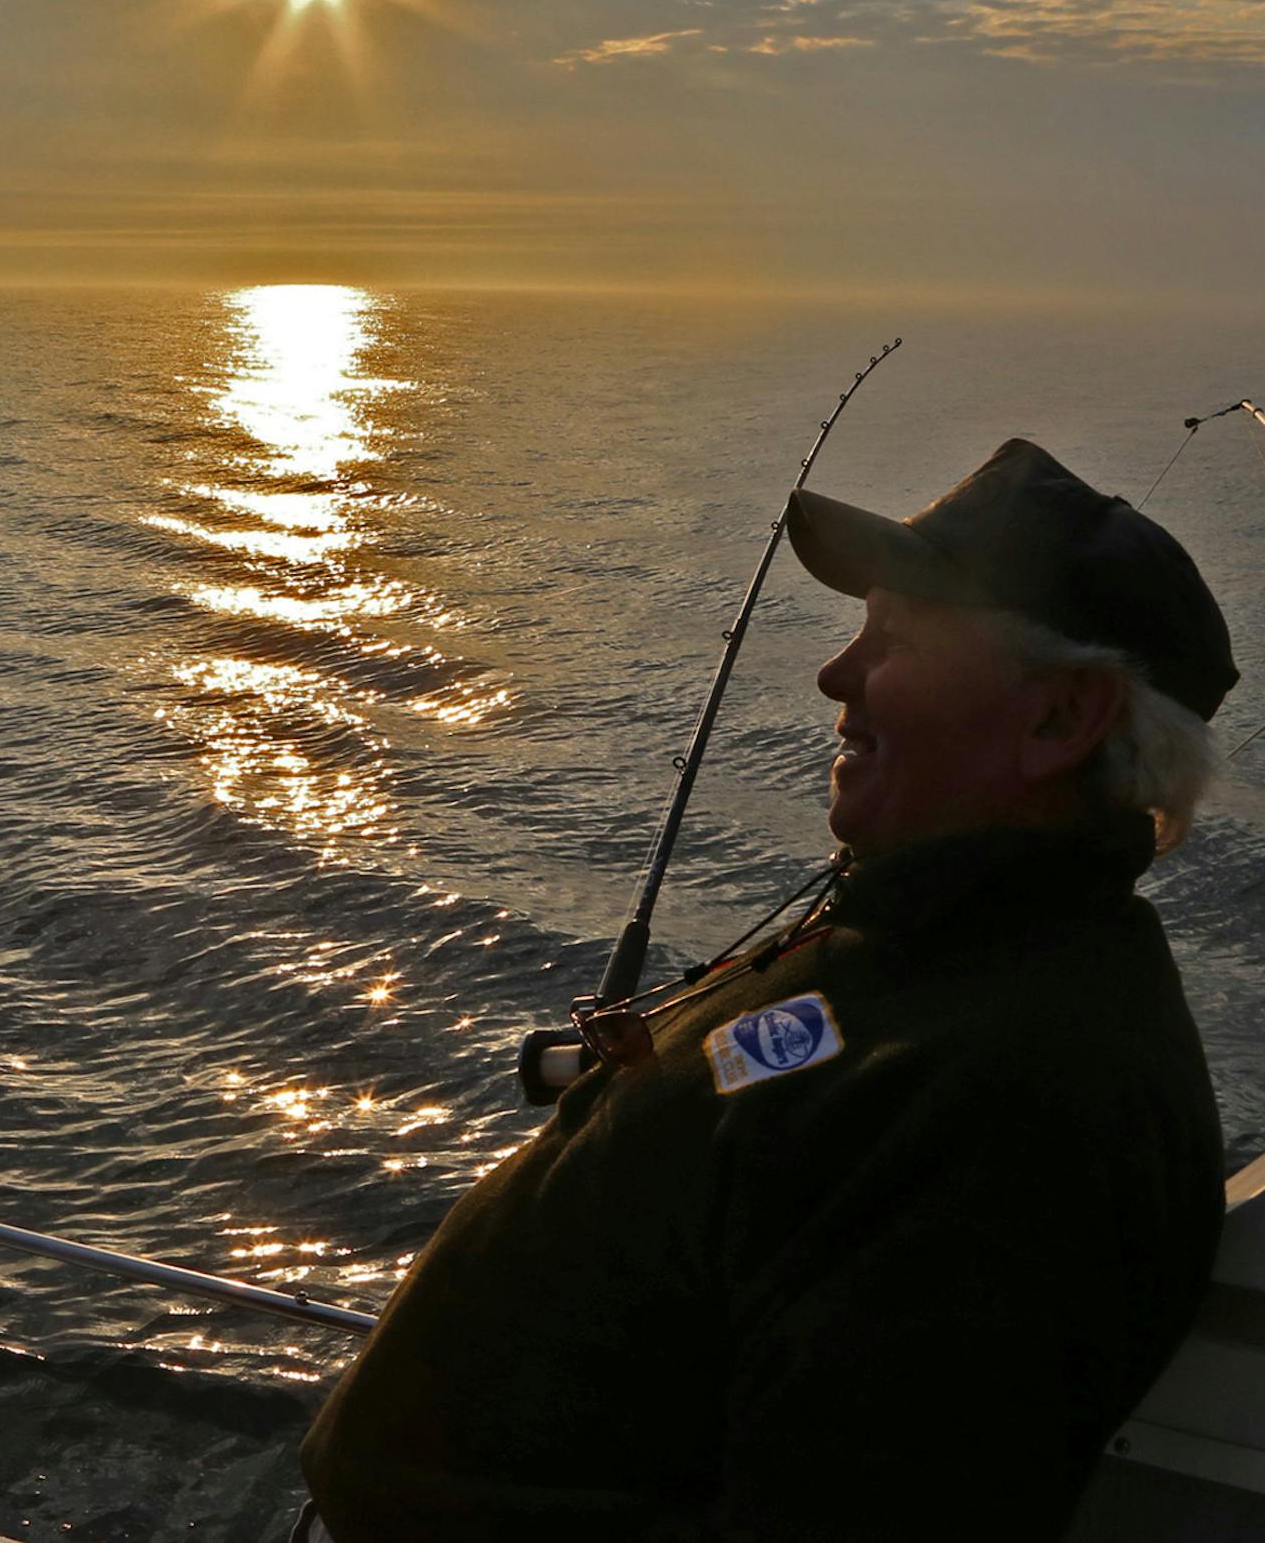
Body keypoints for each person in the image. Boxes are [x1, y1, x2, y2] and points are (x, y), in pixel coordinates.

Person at [294, 438, 1233, 1541]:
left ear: (1058, 720)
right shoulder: (911, 947)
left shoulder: (1022, 1106)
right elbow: (790, 1090)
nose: (838, 676)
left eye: (901, 639)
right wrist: (662, 1078)